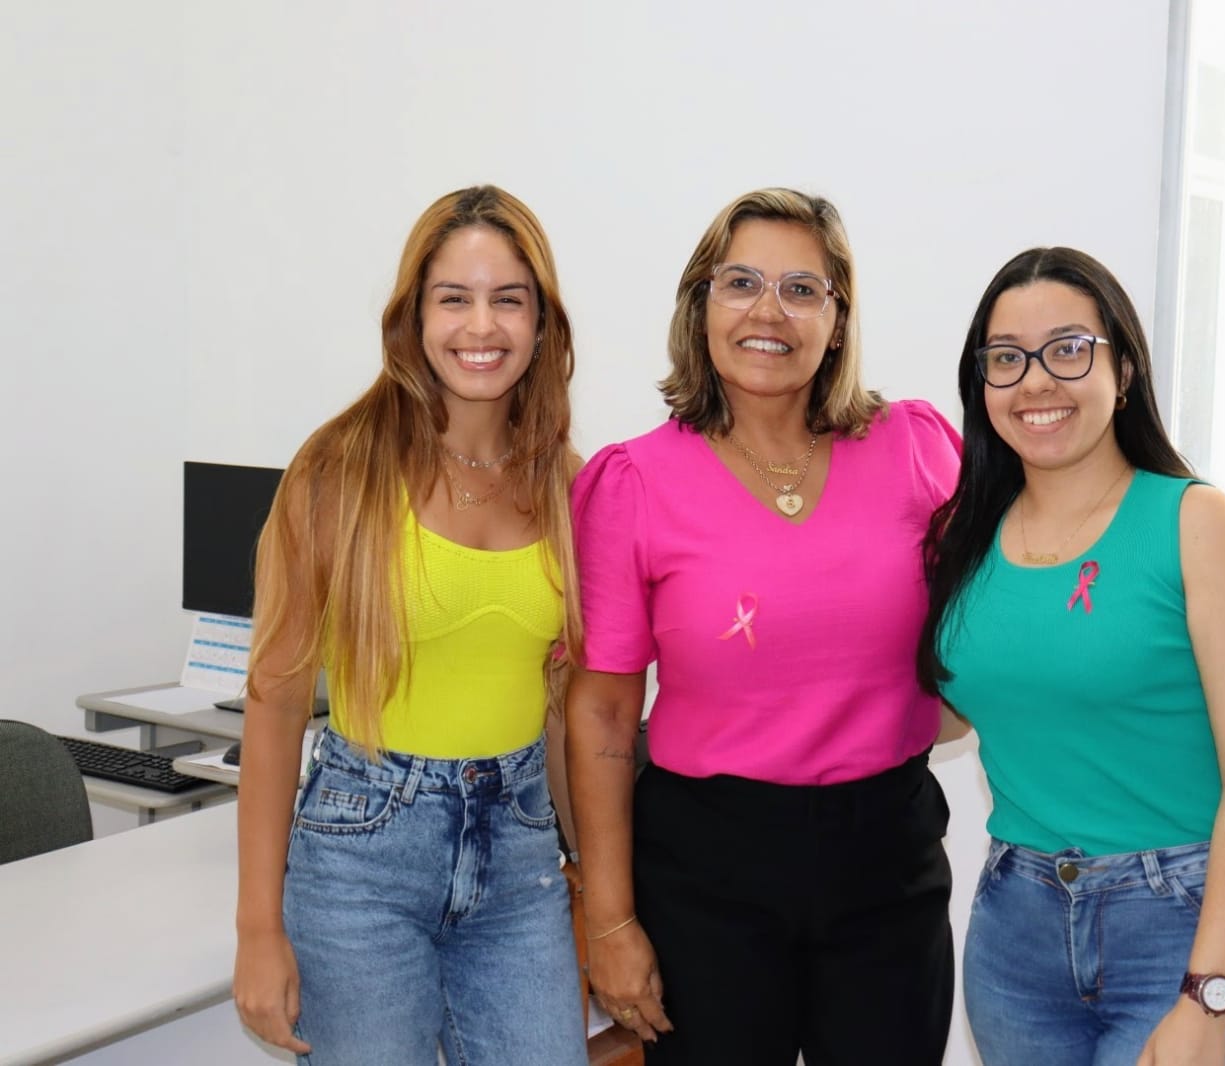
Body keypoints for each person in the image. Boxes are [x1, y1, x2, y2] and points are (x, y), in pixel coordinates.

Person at [566, 188, 960, 1065]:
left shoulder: (916, 447)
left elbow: (994, 615)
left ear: (838, 318)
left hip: (886, 864)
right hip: (705, 875)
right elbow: (599, 716)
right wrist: (611, 919)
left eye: (801, 289)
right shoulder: (632, 483)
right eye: (740, 282)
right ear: (700, 303)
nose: (768, 311)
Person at [918, 247, 1225, 1065]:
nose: (1035, 382)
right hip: (1016, 928)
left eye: (1067, 349)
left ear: (1121, 370)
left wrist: (1209, 993)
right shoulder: (965, 536)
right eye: (1006, 358)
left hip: (1183, 921)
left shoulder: (1196, 525)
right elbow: (955, 710)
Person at [232, 185, 589, 1066]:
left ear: (541, 323)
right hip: (361, 863)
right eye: (454, 298)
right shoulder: (340, 469)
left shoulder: (567, 483)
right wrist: (257, 929)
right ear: (414, 316)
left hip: (519, 860)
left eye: (509, 300)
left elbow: (563, 707)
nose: (482, 326)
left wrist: (592, 878)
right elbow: (275, 704)